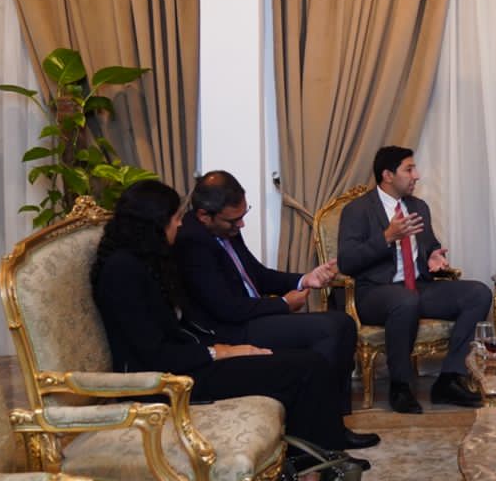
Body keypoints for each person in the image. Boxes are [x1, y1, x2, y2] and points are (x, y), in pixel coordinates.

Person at [90, 180, 371, 464]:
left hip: (187, 362)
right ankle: (314, 462)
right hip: (167, 383)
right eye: (175, 219)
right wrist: (220, 352)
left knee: (309, 363)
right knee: (307, 367)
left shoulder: (145, 259)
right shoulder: (123, 272)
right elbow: (154, 354)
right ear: (152, 224)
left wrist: (219, 351)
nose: (180, 224)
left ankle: (314, 458)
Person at [174, 170, 361, 413]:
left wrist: (305, 279)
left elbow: (257, 275)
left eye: (243, 216)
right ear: (204, 216)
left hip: (249, 317)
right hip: (230, 329)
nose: (241, 224)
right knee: (331, 328)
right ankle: (320, 415)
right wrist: (283, 304)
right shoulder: (191, 242)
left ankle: (333, 414)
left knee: (343, 324)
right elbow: (226, 308)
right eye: (233, 220)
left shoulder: (224, 229)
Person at [336, 146, 492, 414]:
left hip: (418, 286)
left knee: (479, 293)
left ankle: (449, 379)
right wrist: (387, 237)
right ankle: (400, 386)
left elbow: (429, 244)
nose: (416, 175)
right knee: (405, 301)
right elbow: (347, 262)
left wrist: (433, 256)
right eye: (409, 169)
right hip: (374, 292)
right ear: (387, 175)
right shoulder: (357, 210)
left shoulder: (418, 207)